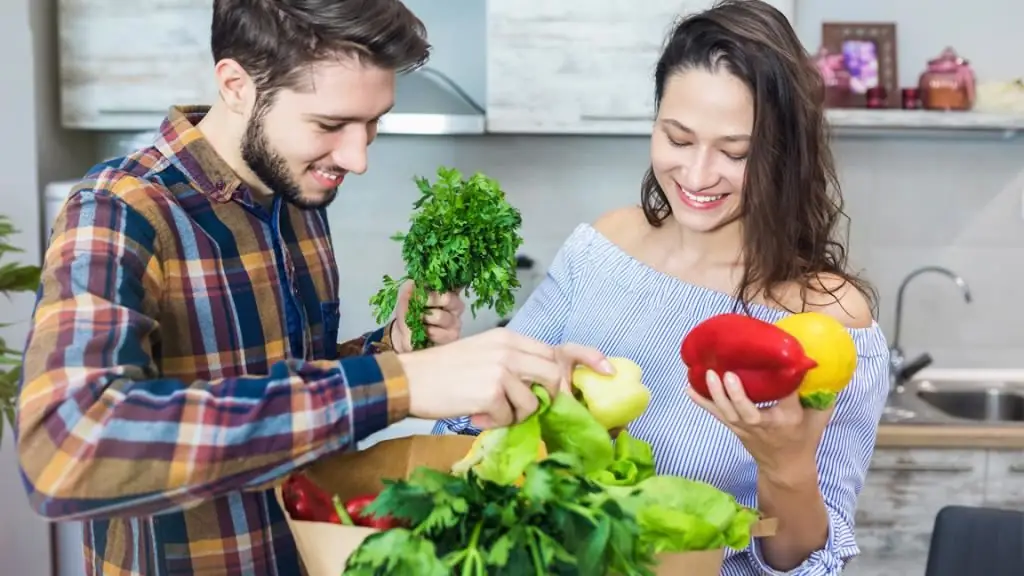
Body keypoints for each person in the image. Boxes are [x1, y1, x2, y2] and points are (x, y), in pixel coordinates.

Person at [15, 1, 607, 574]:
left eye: (373, 123)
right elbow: (67, 450)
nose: (357, 157)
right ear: (237, 85)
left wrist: (391, 349)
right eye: (330, 124)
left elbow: (285, 379)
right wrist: (399, 384)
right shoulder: (123, 209)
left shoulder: (293, 194)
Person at [435, 1, 890, 574]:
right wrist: (506, 388)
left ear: (785, 157)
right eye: (677, 138)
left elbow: (805, 564)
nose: (698, 176)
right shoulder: (600, 248)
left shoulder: (829, 322)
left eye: (736, 153)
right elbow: (458, 445)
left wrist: (786, 467)